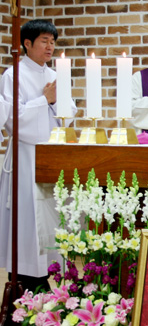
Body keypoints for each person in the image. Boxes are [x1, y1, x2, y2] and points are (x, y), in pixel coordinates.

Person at [0, 19, 77, 293]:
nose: (50, 46)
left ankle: (50, 273)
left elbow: (67, 117)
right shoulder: (13, 75)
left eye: (53, 41)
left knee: (51, 216)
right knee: (28, 220)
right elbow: (14, 121)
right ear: (27, 44)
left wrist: (55, 101)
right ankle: (25, 280)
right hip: (26, 158)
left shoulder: (55, 75)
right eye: (44, 41)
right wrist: (44, 100)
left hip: (51, 155)